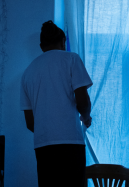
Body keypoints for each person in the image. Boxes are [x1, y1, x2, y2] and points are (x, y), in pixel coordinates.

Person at [20, 20, 93, 187]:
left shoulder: (28, 72)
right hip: (70, 143)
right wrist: (86, 118)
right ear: (63, 41)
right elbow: (83, 100)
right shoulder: (71, 59)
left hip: (43, 146)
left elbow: (30, 122)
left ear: (41, 46)